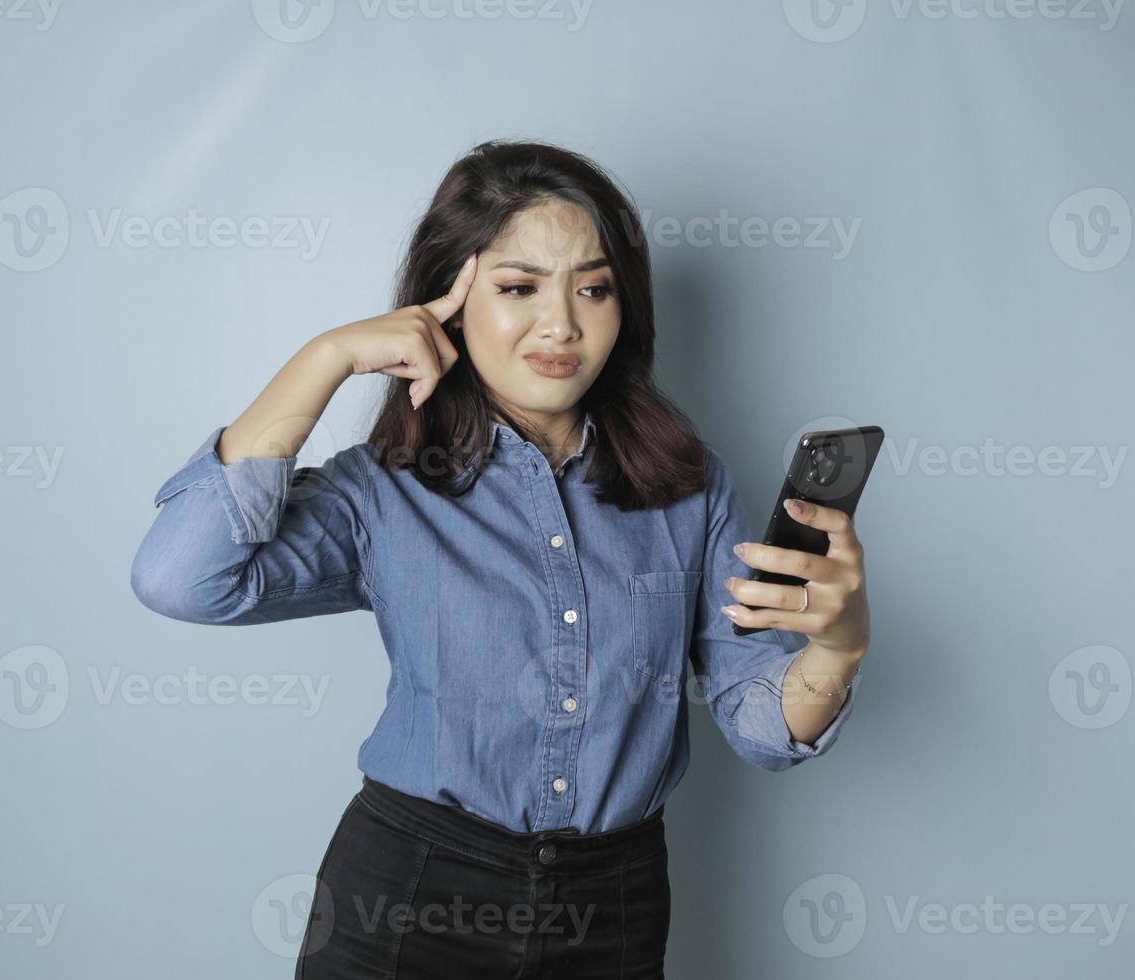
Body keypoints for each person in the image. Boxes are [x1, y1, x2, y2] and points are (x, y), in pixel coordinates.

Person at [129, 139, 871, 979]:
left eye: (593, 288)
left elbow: (762, 727)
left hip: (614, 912)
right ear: (446, 305)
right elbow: (181, 577)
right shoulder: (383, 493)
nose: (561, 325)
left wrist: (839, 647)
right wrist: (325, 357)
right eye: (518, 289)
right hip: (408, 899)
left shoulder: (690, 488)